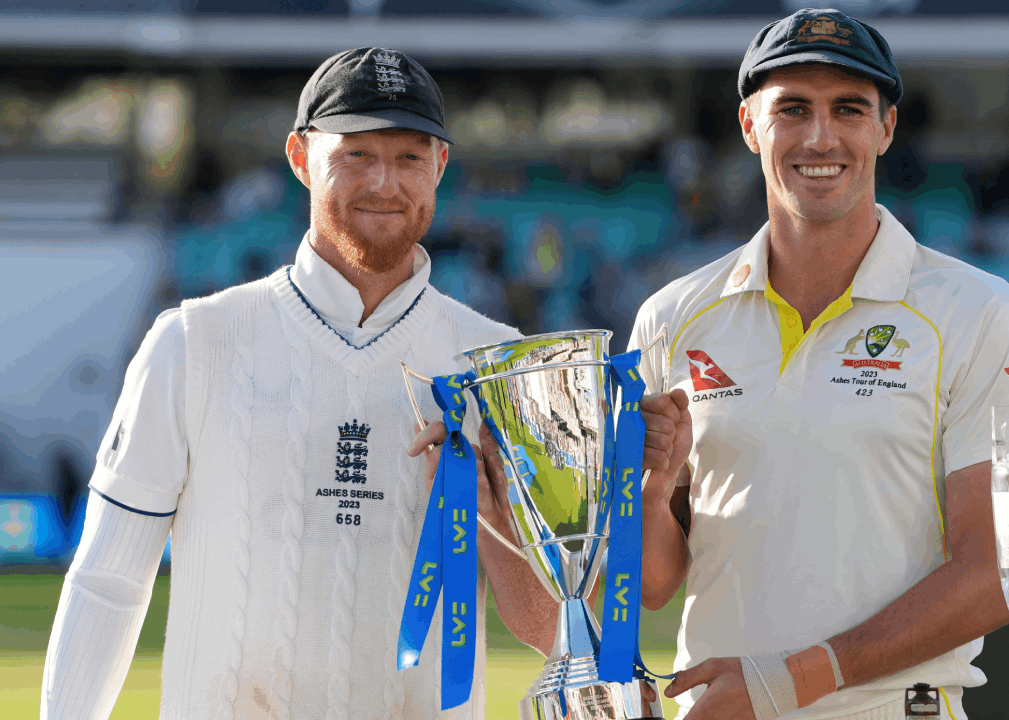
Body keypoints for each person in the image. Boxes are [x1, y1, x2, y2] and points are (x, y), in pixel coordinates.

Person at [39, 47, 680, 720]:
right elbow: (108, 579)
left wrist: (495, 519)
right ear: (299, 157)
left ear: (439, 167)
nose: (385, 182)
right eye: (357, 155)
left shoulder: (500, 364)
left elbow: (551, 628)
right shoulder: (194, 342)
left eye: (409, 157)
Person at [630, 10, 1009, 720]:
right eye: (792, 109)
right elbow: (651, 583)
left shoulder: (976, 311)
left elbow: (998, 572)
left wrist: (791, 680)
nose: (820, 137)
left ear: (885, 129)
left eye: (848, 110)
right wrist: (647, 492)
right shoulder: (673, 316)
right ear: (749, 125)